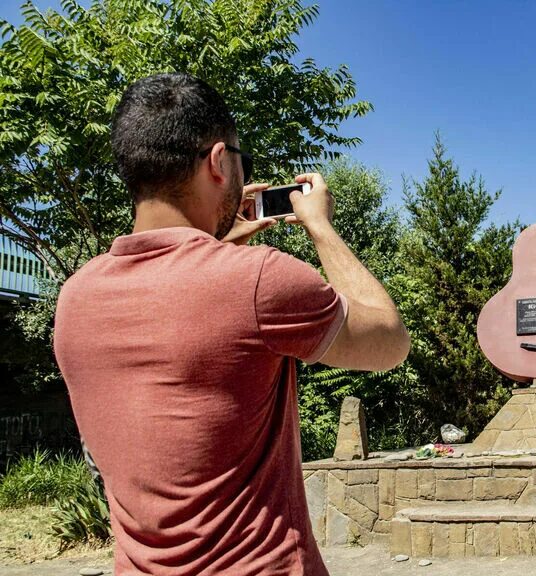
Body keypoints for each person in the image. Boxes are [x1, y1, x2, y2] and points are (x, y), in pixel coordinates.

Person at [53, 73, 410, 575]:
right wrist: (321, 227)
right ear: (219, 161)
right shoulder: (259, 279)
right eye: (243, 162)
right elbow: (389, 341)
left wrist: (217, 243)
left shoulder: (75, 298)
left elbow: (181, 314)